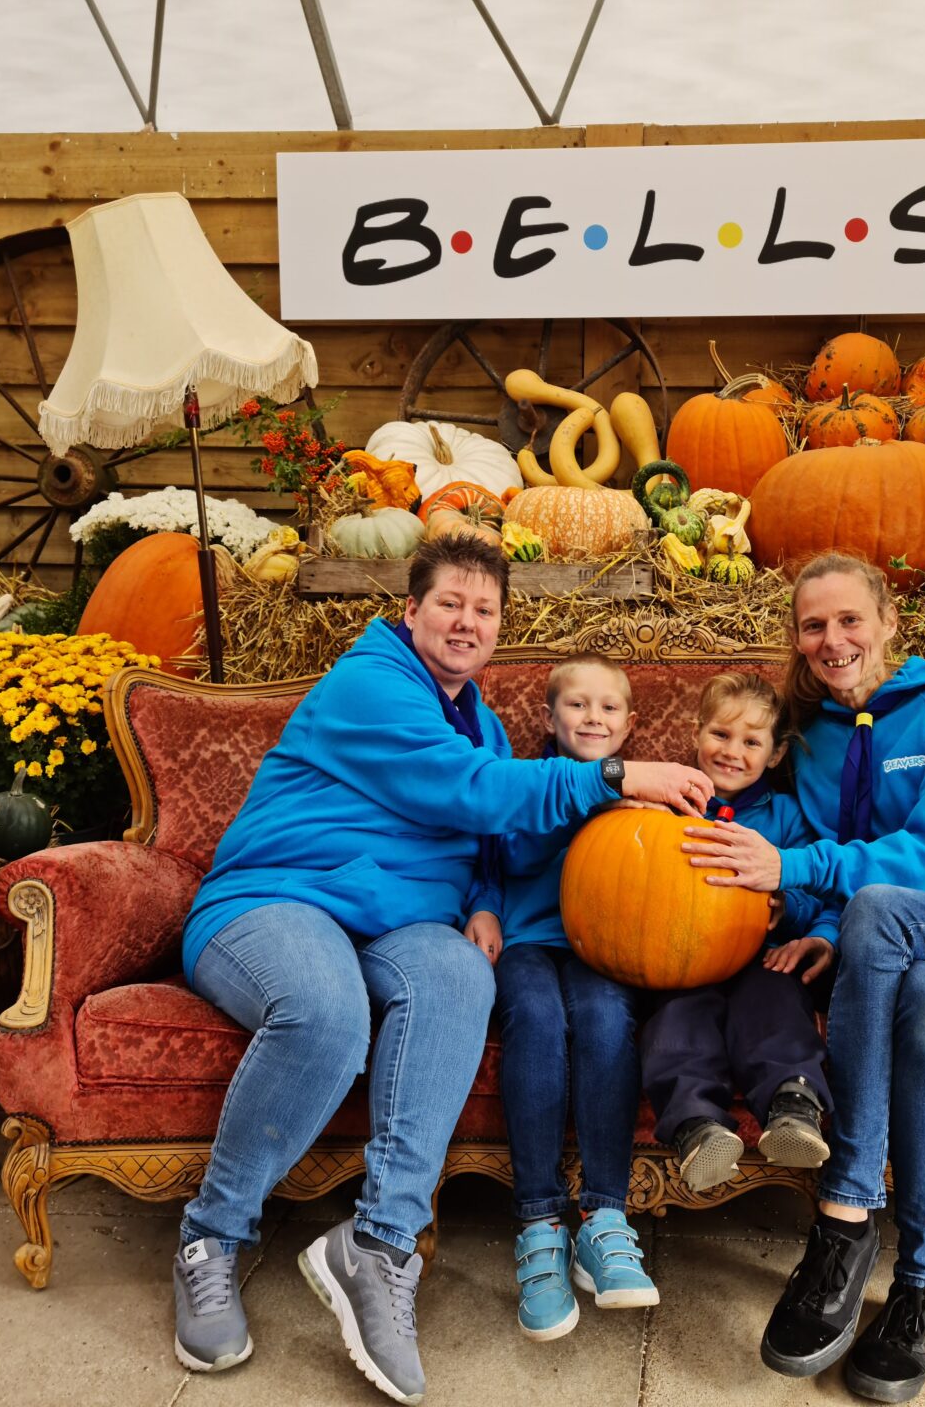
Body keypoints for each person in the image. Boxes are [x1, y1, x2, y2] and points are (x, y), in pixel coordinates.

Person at [171, 535, 711, 1405]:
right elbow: (470, 791)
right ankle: (213, 1236)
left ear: (501, 628)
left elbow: (488, 833)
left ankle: (379, 1248)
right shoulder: (371, 684)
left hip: (406, 922)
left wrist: (487, 900)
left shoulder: (482, 721)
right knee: (326, 1012)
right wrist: (613, 775)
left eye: (485, 609)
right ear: (411, 609)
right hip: (280, 898)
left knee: (464, 977)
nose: (466, 621)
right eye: (450, 603)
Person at [685, 552, 925, 1404]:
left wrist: (794, 872)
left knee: (884, 913)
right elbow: (837, 875)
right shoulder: (812, 733)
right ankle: (924, 1285)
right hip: (910, 963)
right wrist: (826, 932)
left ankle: (844, 1215)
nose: (833, 640)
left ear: (889, 620)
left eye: (850, 619)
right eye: (814, 625)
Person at [492, 654, 657, 1342]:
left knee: (604, 1015)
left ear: (629, 723)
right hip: (528, 939)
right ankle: (538, 1222)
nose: (593, 717)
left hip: (603, 945)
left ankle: (605, 1216)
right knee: (533, 1015)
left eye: (608, 708)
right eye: (577, 705)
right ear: (549, 718)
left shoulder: (642, 795)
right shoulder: (527, 784)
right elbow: (501, 857)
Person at [641, 672, 839, 1192]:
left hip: (762, 954)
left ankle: (792, 1104)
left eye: (752, 742)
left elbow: (823, 891)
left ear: (775, 755)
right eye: (720, 735)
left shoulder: (788, 816)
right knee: (677, 1020)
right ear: (696, 734)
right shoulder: (669, 804)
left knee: (774, 1000)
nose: (732, 751)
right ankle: (697, 1126)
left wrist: (786, 904)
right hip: (686, 957)